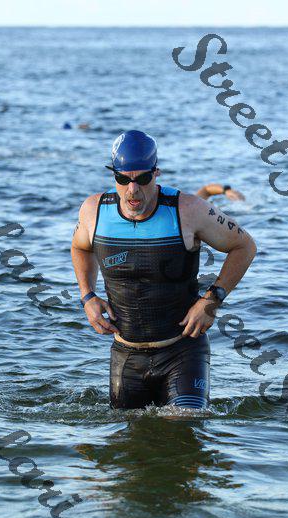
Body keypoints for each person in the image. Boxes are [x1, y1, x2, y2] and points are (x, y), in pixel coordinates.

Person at [71, 130, 256, 410]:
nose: (132, 190)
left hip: (183, 351)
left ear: (156, 173)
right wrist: (87, 296)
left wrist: (212, 300)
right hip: (126, 356)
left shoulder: (188, 210)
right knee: (127, 434)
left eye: (142, 179)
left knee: (183, 424)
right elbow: (80, 247)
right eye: (123, 179)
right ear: (114, 175)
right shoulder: (93, 211)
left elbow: (244, 246)